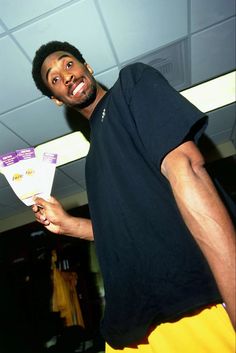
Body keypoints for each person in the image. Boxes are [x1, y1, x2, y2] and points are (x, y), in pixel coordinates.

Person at [31, 41, 235, 352]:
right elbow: (122, 233)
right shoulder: (93, 161)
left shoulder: (131, 85)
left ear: (88, 67)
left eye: (68, 64)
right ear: (56, 99)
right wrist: (69, 225)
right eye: (55, 79)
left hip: (194, 309)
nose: (66, 76)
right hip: (129, 334)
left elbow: (188, 169)